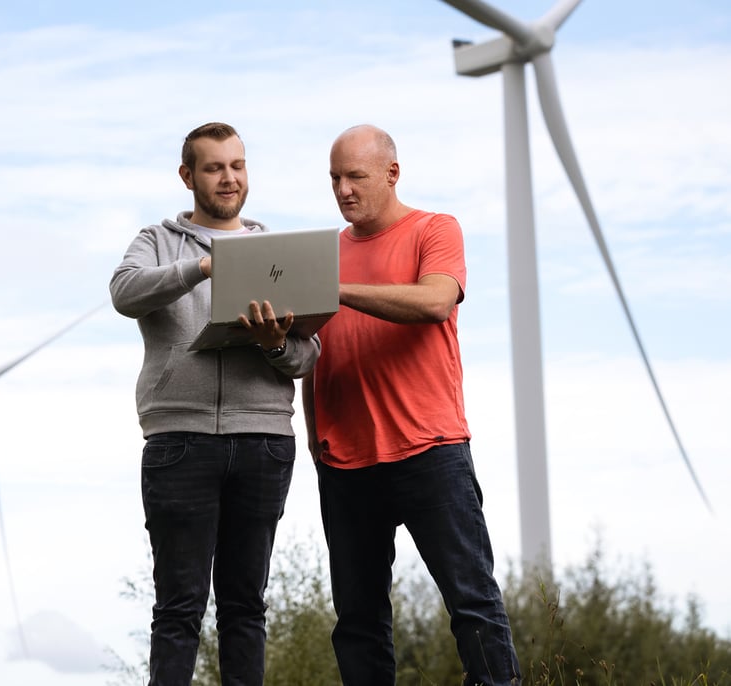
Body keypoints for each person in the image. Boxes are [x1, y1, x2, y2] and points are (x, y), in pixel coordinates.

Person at [303, 124, 522, 685]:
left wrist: (338, 290)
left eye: (355, 177)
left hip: (431, 451)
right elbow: (309, 349)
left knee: (471, 602)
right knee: (357, 621)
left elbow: (434, 301)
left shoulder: (435, 228)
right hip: (346, 462)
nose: (343, 190)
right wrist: (314, 438)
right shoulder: (320, 253)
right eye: (334, 179)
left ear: (391, 174)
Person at [110, 121, 321, 685]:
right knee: (179, 610)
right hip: (180, 442)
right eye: (214, 167)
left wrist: (273, 341)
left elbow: (306, 358)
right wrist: (204, 267)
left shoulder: (279, 252)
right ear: (188, 176)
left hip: (264, 442)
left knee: (245, 608)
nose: (229, 178)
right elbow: (124, 293)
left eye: (238, 165)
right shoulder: (156, 241)